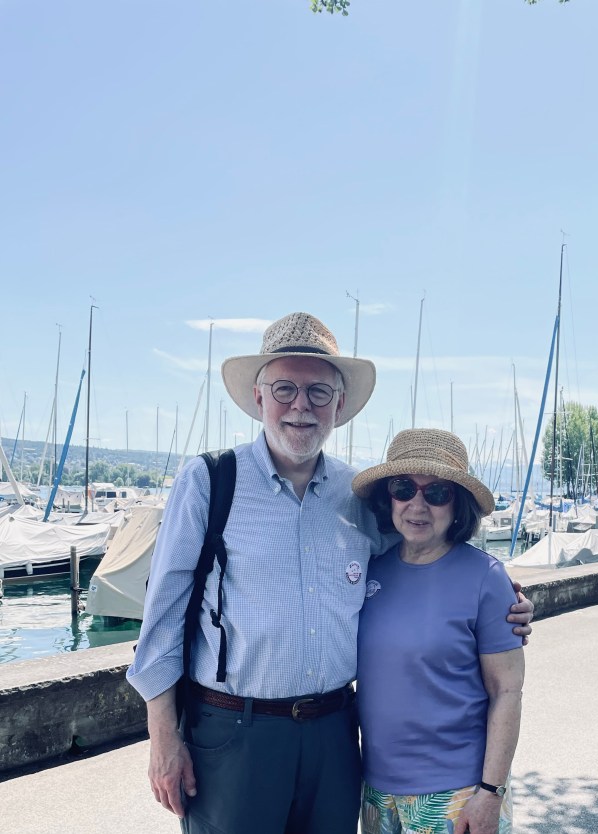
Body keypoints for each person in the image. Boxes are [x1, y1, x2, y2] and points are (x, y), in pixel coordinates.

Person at [126, 312, 534, 834]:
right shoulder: (210, 481)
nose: (301, 405)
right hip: (234, 734)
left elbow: (429, 551)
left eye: (319, 391)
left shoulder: (357, 496)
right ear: (258, 396)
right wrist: (162, 737)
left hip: (335, 737)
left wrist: (502, 597)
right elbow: (162, 614)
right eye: (285, 388)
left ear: (339, 405)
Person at [351, 429, 525, 834]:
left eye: (437, 493)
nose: (417, 505)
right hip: (376, 790)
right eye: (403, 488)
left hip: (457, 792)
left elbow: (507, 691)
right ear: (388, 498)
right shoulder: (369, 571)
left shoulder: (486, 577)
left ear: (457, 503)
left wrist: (491, 792)